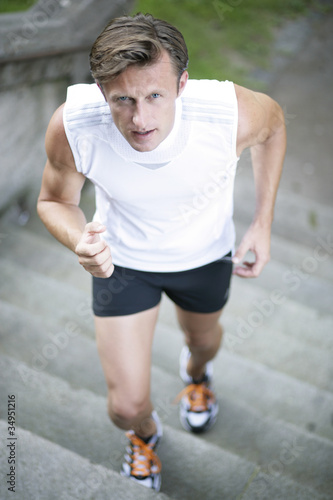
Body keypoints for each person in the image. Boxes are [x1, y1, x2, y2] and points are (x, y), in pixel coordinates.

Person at [37, 13, 286, 492]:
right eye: (122, 100)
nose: (140, 120)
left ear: (183, 83)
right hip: (123, 263)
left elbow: (274, 130)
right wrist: (79, 242)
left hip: (205, 257)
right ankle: (148, 435)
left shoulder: (229, 112)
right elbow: (54, 201)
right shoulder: (75, 124)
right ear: (100, 89)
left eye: (155, 95)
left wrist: (262, 223)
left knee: (204, 344)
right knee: (125, 407)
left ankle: (197, 376)